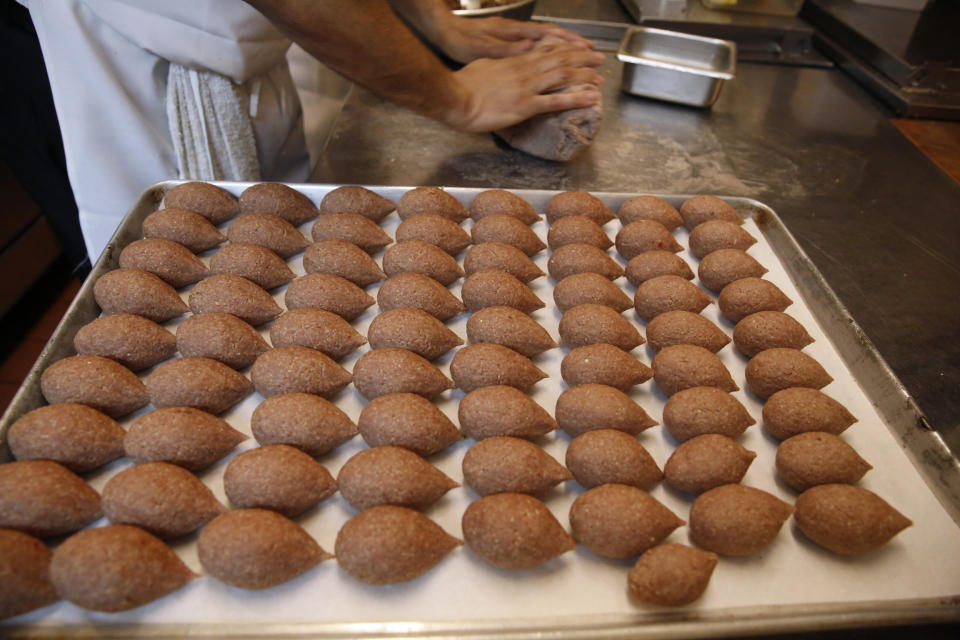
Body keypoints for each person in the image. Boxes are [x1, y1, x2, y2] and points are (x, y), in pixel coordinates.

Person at [20, 0, 605, 263]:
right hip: (125, 50)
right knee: (156, 272)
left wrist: (432, 18)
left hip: (245, 50)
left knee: (274, 250)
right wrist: (457, 95)